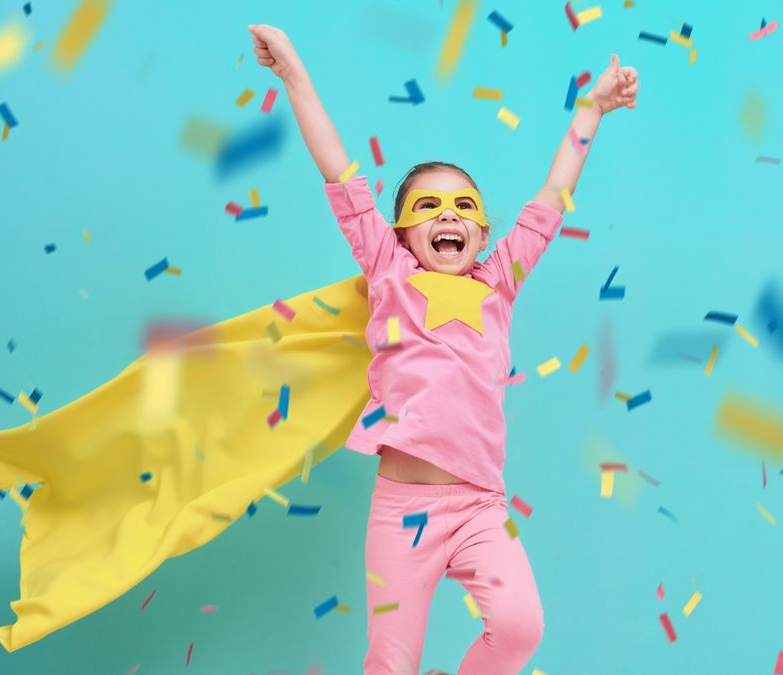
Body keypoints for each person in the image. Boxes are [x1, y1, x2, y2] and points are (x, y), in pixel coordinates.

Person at [247, 22, 639, 675]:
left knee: (520, 627)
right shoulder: (388, 273)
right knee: (390, 660)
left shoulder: (499, 282)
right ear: (400, 233)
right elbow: (337, 165)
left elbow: (551, 195)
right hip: (404, 512)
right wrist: (292, 74)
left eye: (463, 207)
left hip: (483, 504)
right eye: (429, 207)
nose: (448, 216)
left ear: (483, 232)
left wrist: (592, 109)